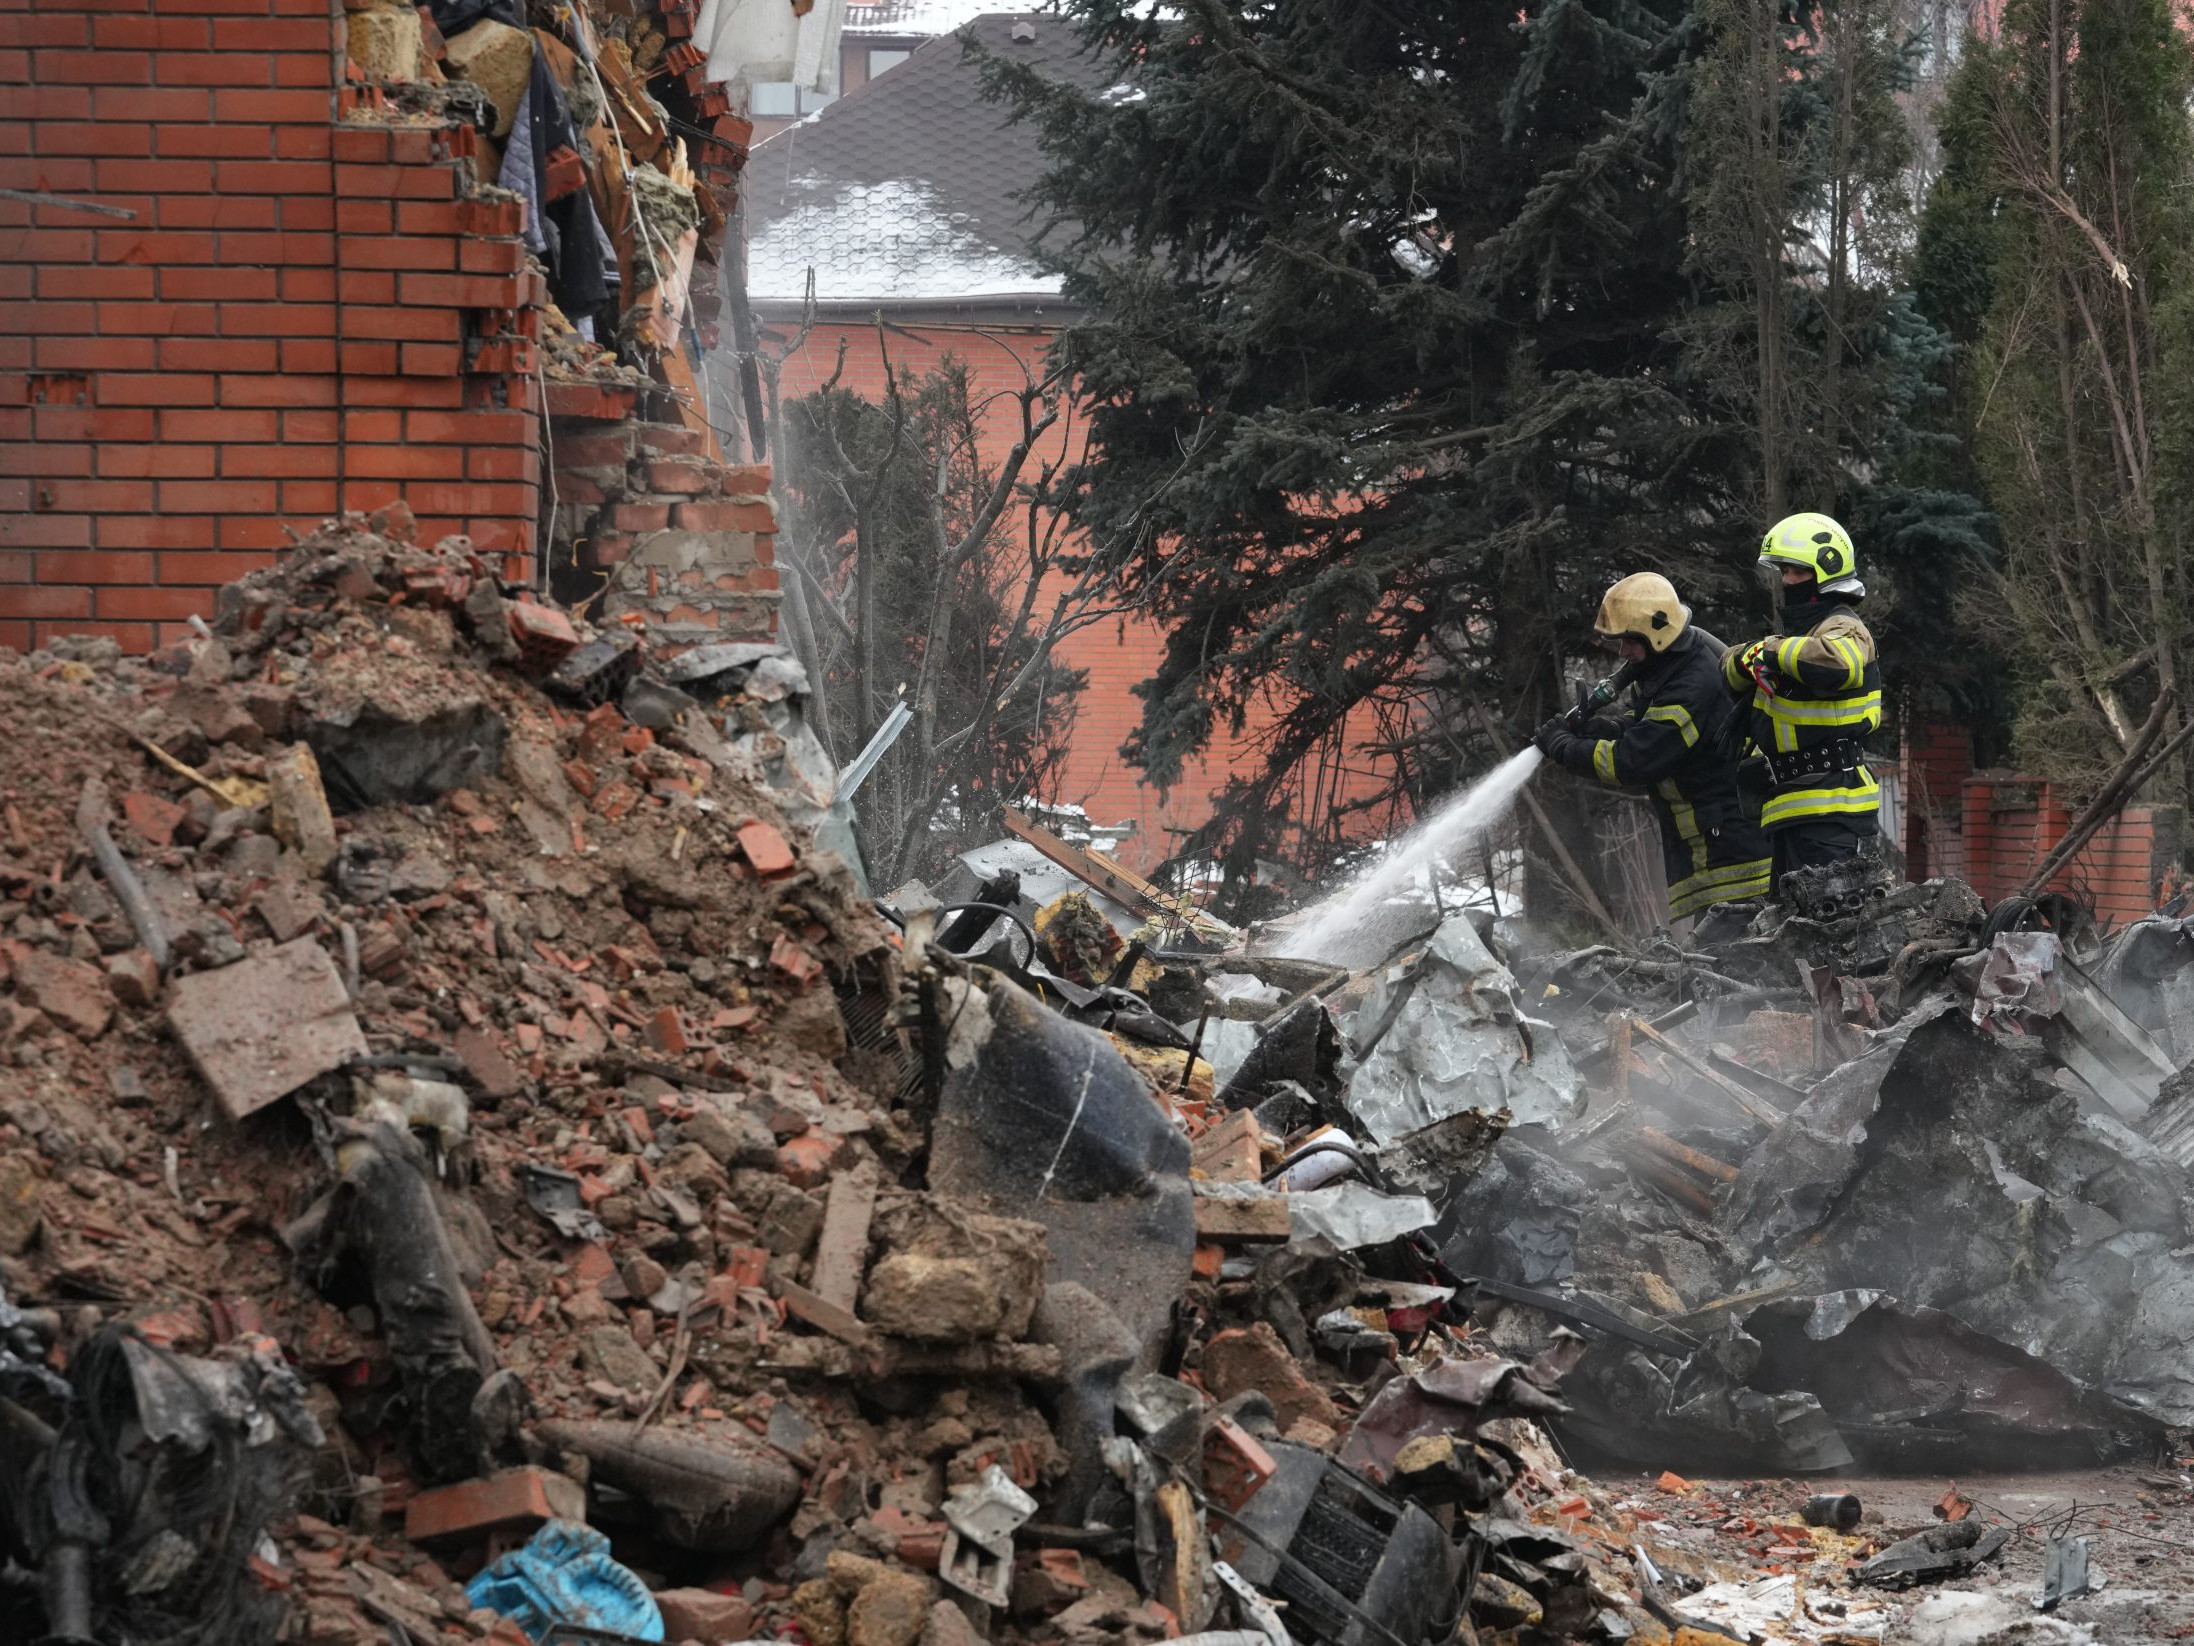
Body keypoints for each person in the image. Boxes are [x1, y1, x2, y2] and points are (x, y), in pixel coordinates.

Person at [1532, 573, 1772, 921]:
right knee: (1723, 962)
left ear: (1657, 632)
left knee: (1735, 964)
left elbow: (1635, 760)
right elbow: (1646, 728)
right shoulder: (1672, 669)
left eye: (1629, 640)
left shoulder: (1692, 685)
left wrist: (1566, 749)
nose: (1622, 651)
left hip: (1733, 857)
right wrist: (1606, 727)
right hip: (1717, 847)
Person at [1720, 511, 1882, 886]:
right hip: (1789, 805)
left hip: (1828, 805)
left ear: (1826, 572)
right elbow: (1727, 670)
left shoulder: (1844, 628)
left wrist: (1769, 651)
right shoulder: (1798, 637)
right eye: (1784, 572)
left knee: (1829, 929)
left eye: (1797, 572)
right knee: (1793, 933)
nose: (1787, 581)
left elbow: (1839, 665)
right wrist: (1750, 656)